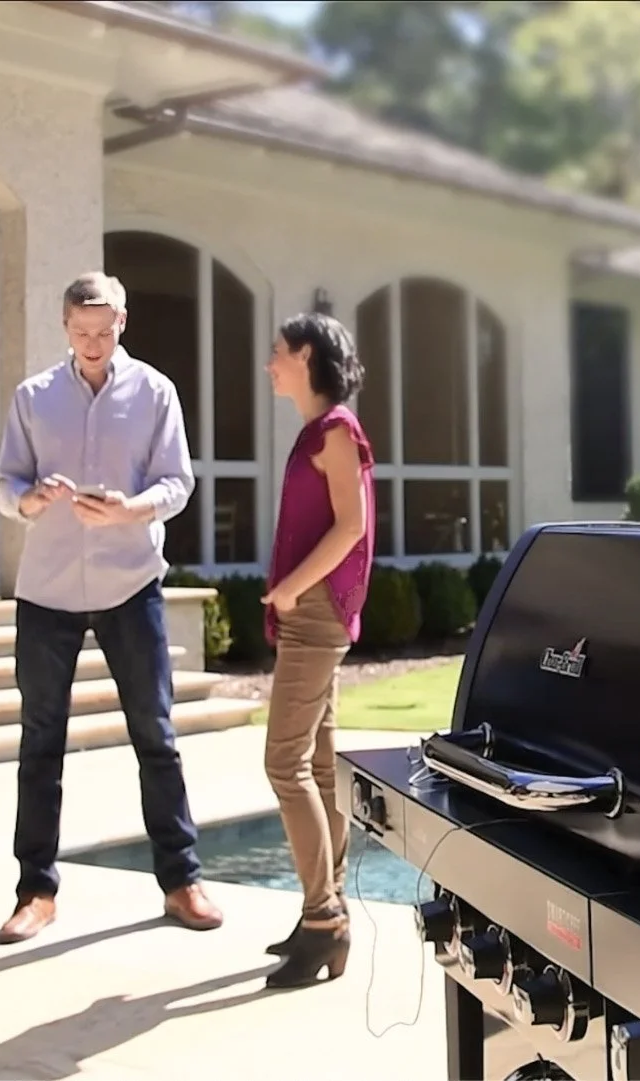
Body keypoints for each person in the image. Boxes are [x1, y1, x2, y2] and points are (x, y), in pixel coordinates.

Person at [0, 271, 223, 942]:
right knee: (41, 742)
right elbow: (6, 481)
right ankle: (35, 890)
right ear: (65, 327)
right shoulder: (33, 397)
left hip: (130, 585)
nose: (91, 343)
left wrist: (132, 508)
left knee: (156, 735)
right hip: (47, 589)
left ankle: (181, 880)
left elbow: (177, 480)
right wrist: (26, 501)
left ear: (122, 322)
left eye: (103, 330)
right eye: (79, 331)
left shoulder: (154, 392)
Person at [259, 312, 375, 989]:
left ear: (305, 356)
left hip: (315, 613)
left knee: (283, 762)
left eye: (278, 352)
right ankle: (323, 919)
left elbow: (351, 527)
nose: (270, 362)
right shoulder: (317, 431)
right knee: (321, 766)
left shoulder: (336, 431)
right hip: (313, 611)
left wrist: (288, 590)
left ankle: (322, 915)